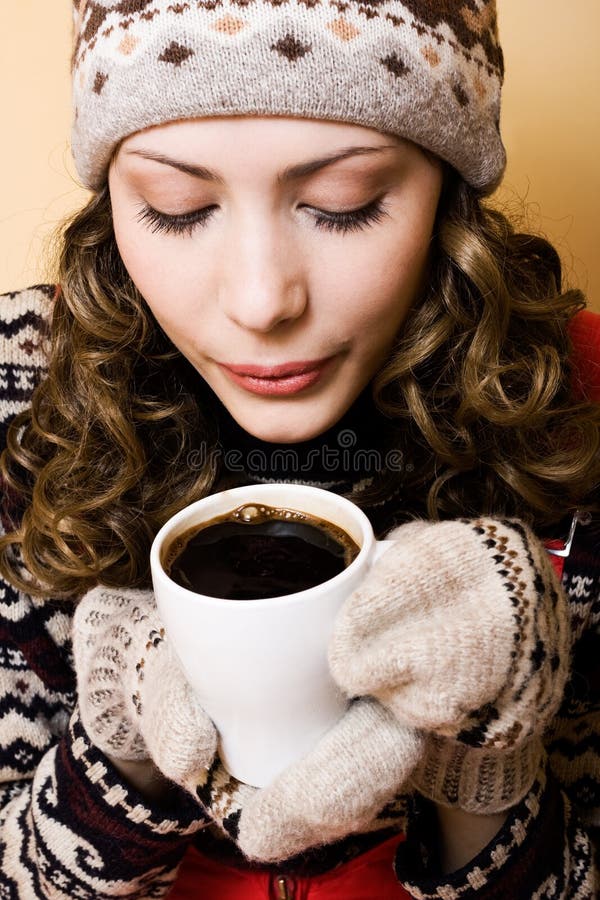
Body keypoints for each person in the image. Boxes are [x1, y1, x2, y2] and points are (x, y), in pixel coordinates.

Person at [0, 0, 599, 896]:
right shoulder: (21, 385)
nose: (261, 301)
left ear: (446, 187)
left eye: (341, 206)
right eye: (176, 208)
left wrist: (487, 778)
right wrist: (117, 758)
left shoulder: (574, 398)